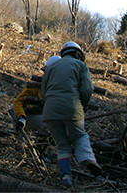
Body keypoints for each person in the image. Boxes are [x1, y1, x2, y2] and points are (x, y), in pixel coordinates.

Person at [41, 41, 102, 187]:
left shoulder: (52, 66)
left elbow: (43, 92)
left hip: (50, 111)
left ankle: (66, 177)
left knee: (61, 144)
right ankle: (87, 159)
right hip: (72, 107)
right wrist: (83, 105)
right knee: (80, 136)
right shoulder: (81, 66)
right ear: (77, 54)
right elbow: (87, 89)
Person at [10, 55, 61, 135]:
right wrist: (22, 117)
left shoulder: (60, 89)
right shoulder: (36, 86)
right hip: (28, 115)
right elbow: (18, 102)